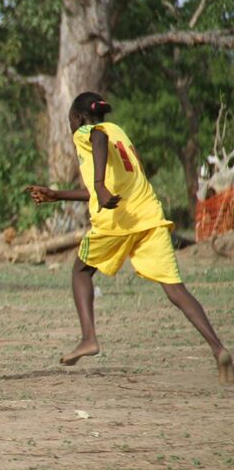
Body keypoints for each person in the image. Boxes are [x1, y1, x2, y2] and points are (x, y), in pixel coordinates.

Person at [26, 92, 233, 384]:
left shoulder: (89, 132)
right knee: (175, 289)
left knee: (81, 271)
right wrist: (58, 195)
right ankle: (218, 348)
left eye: (71, 121)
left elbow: (97, 143)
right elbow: (105, 187)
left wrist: (99, 184)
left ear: (79, 118)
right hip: (148, 215)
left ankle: (88, 338)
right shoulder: (119, 133)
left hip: (117, 219)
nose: (71, 127)